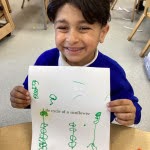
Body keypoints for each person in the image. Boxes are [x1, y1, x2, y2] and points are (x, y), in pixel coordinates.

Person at [10, 0, 142, 126]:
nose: (72, 39)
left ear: (102, 33)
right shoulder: (45, 61)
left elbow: (134, 110)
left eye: (83, 28)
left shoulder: (112, 73)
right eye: (62, 27)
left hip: (92, 139)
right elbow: (31, 97)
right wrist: (21, 98)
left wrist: (130, 113)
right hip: (52, 135)